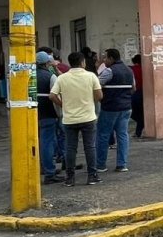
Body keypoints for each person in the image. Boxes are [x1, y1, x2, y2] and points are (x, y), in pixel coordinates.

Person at [50, 51, 103, 186]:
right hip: (88, 117)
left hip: (69, 119)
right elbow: (99, 95)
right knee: (90, 147)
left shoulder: (62, 78)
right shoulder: (91, 76)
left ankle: (70, 178)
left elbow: (52, 95)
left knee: (70, 148)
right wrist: (90, 102)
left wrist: (63, 104)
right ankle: (92, 176)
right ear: (82, 62)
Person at [95, 48, 134, 173]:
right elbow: (133, 88)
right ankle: (122, 165)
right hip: (126, 107)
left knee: (103, 135)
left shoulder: (109, 71)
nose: (104, 60)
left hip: (110, 107)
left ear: (111, 58)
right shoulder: (129, 70)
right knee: (122, 135)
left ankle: (100, 165)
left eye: (105, 57)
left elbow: (96, 85)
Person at [35, 51, 63, 185]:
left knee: (38, 142)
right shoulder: (50, 76)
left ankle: (42, 168)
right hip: (48, 113)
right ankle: (49, 173)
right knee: (47, 143)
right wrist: (60, 111)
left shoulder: (29, 75)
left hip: (33, 113)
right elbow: (55, 95)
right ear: (47, 63)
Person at [130, 54, 145, 138]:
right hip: (144, 93)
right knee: (141, 113)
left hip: (133, 93)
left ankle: (138, 131)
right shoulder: (145, 69)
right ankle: (139, 131)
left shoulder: (131, 69)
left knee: (134, 113)